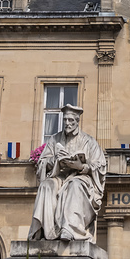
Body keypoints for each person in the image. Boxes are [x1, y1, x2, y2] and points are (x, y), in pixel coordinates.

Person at [29, 104, 107, 242]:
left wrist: (82, 167)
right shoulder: (54, 140)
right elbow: (42, 163)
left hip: (80, 177)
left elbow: (100, 166)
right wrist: (55, 160)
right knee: (46, 185)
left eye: (71, 120)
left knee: (74, 185)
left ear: (77, 121)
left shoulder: (89, 141)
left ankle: (69, 229)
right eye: (65, 120)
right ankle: (45, 231)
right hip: (59, 177)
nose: (67, 123)